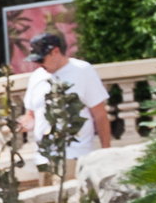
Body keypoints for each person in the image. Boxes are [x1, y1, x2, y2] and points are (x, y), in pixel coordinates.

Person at [22, 31, 113, 167]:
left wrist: (106, 153)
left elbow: (100, 114)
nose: (39, 65)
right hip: (43, 159)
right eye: (35, 61)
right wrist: (22, 124)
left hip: (76, 156)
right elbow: (30, 115)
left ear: (56, 51)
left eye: (41, 59)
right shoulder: (36, 77)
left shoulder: (83, 70)